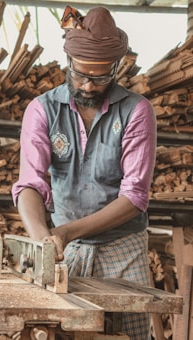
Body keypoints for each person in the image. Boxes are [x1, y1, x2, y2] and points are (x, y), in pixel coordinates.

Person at [12, 6, 157, 340]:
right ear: (68, 64)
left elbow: (134, 196)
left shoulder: (137, 111)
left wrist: (65, 231)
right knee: (60, 331)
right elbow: (30, 183)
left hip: (124, 247)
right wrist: (43, 240)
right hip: (67, 252)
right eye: (80, 75)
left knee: (129, 334)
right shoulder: (42, 109)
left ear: (117, 68)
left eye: (100, 77)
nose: (89, 86)